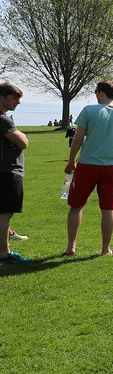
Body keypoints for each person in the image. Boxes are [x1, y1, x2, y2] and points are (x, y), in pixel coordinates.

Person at [64, 81, 113, 256]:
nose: (96, 96)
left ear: (102, 93)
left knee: (76, 205)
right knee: (108, 208)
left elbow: (78, 138)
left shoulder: (89, 111)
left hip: (87, 165)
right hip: (111, 167)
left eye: (97, 93)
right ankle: (105, 249)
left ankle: (70, 247)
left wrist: (71, 160)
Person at [0, 83, 31, 263]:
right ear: (2, 97)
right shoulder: (3, 120)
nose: (18, 102)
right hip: (7, 171)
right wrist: (20, 137)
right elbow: (24, 142)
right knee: (5, 214)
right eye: (14, 98)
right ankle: (4, 253)